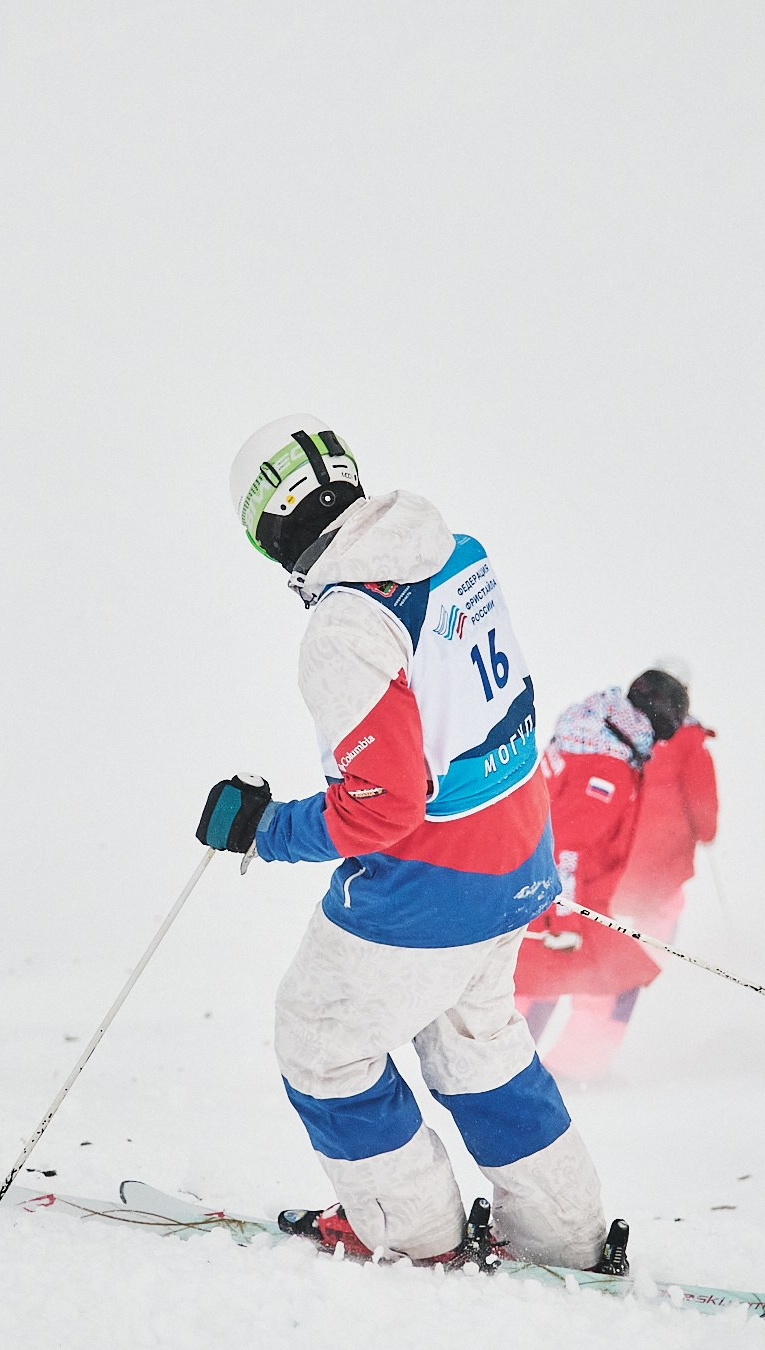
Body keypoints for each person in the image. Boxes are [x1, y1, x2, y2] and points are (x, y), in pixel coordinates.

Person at [196, 414, 610, 1271]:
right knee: (476, 1039)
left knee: (321, 1039)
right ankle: (563, 1236)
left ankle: (412, 1233)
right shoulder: (456, 552)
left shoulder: (344, 626)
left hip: (435, 876)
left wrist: (263, 829)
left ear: (273, 532)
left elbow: (382, 808)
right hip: (519, 849)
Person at [510, 672, 687, 1082]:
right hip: (558, 905)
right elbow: (565, 847)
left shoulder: (595, 734)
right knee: (609, 980)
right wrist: (565, 922)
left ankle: (510, 1073)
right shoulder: (605, 769)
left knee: (540, 985)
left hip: (542, 896)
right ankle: (565, 1070)